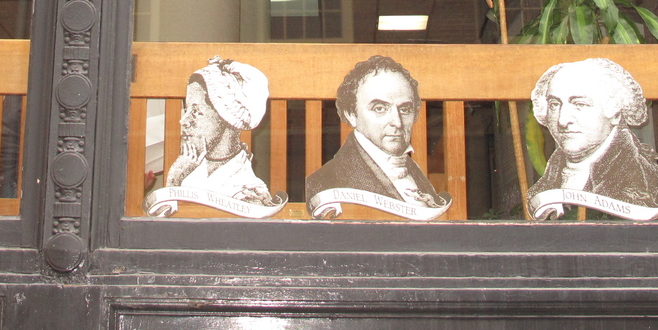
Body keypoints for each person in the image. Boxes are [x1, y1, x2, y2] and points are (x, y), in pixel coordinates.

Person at [305, 56, 447, 209]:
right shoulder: (324, 182)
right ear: (351, 114)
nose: (397, 123)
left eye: (405, 109)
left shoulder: (414, 170)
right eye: (380, 108)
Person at [528, 58, 658, 209]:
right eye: (554, 105)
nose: (562, 121)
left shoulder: (642, 179)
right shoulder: (551, 175)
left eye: (579, 104)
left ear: (615, 113)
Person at [165, 57, 279, 205]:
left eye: (196, 111)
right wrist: (176, 176)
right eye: (187, 110)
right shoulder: (189, 167)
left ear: (227, 118)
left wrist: (174, 181)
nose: (184, 121)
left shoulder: (248, 191)